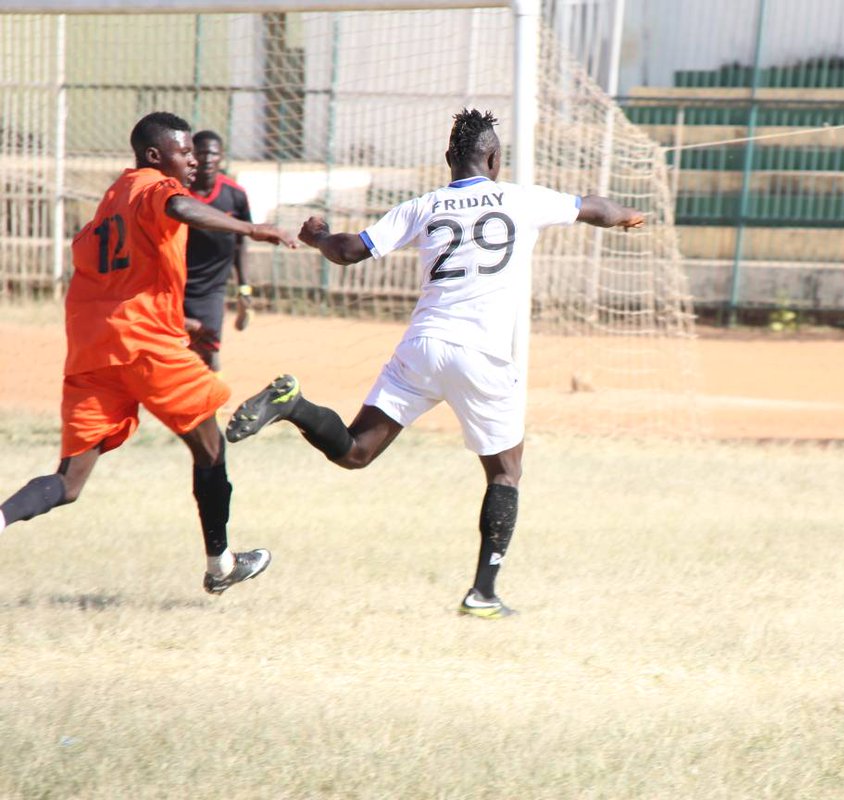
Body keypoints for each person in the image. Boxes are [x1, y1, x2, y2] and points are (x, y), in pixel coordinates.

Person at [225, 108, 644, 618]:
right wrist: (628, 215)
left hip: (423, 346)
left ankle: (293, 404)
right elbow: (594, 208)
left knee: (355, 452)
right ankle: (483, 594)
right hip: (482, 355)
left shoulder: (422, 206)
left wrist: (317, 236)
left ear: (448, 158)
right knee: (505, 472)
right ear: (494, 158)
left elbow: (350, 250)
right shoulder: (522, 198)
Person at [0, 111, 296, 595]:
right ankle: (220, 565)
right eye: (184, 153)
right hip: (145, 347)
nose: (192, 161)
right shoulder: (156, 187)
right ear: (155, 156)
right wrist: (250, 229)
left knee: (69, 483)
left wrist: (175, 320)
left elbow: (104, 273)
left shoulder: (112, 199)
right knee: (210, 449)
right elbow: (182, 208)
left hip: (93, 351)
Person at [184, 130, 254, 373]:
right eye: (201, 153)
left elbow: (241, 242)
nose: (207, 159)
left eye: (213, 153)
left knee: (208, 349)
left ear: (221, 156)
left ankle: (212, 393)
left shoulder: (234, 194)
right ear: (191, 156)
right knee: (172, 349)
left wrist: (244, 287)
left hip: (212, 287)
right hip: (176, 283)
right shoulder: (178, 193)